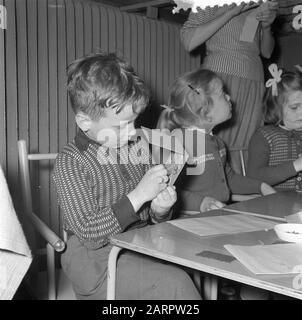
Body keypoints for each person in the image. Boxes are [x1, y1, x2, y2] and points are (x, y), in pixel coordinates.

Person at [53, 53, 201, 300]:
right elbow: (89, 234)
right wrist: (139, 194)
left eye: (134, 122)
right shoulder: (70, 161)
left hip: (139, 244)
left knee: (193, 263)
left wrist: (160, 208)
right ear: (84, 122)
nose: (133, 133)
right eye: (122, 125)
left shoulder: (135, 147)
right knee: (174, 283)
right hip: (97, 263)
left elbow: (150, 218)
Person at [157, 68, 275, 213]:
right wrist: (200, 203)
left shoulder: (218, 143)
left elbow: (229, 179)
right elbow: (165, 187)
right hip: (188, 220)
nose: (229, 97)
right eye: (222, 94)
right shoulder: (180, 144)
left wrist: (260, 186)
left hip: (216, 216)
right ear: (205, 112)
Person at [180, 1, 278, 173]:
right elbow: (189, 41)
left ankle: (244, 193)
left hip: (254, 78)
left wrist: (267, 27)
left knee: (249, 144)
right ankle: (211, 192)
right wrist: (229, 12)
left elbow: (267, 52)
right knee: (212, 141)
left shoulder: (258, 3)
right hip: (221, 76)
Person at [247, 64, 302, 191]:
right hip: (275, 205)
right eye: (294, 107)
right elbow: (253, 177)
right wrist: (295, 166)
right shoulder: (264, 136)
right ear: (275, 107)